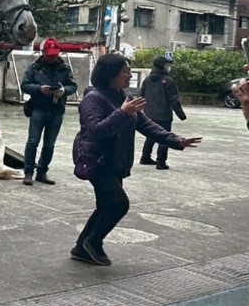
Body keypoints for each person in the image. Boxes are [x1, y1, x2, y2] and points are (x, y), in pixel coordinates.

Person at [70, 54, 201, 266]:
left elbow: (147, 125)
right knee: (119, 204)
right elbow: (95, 130)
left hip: (116, 160)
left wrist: (177, 141)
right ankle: (92, 243)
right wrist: (122, 113)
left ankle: (81, 246)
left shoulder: (125, 97)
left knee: (106, 205)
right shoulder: (93, 98)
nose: (130, 75)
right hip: (98, 159)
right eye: (126, 71)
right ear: (110, 75)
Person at [19, 38, 78, 185]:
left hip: (56, 110)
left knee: (49, 145)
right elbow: (25, 85)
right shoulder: (34, 67)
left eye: (55, 54)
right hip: (38, 108)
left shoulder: (64, 68)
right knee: (33, 142)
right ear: (43, 52)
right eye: (49, 54)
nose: (52, 57)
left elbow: (73, 86)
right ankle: (28, 172)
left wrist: (63, 91)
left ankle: (42, 172)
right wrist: (39, 89)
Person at [139, 54, 187, 169]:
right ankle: (161, 162)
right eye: (167, 65)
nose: (168, 67)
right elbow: (173, 100)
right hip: (163, 114)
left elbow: (142, 96)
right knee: (164, 137)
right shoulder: (168, 81)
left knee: (150, 135)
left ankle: (145, 157)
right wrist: (181, 115)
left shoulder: (147, 80)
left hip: (149, 113)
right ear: (162, 66)